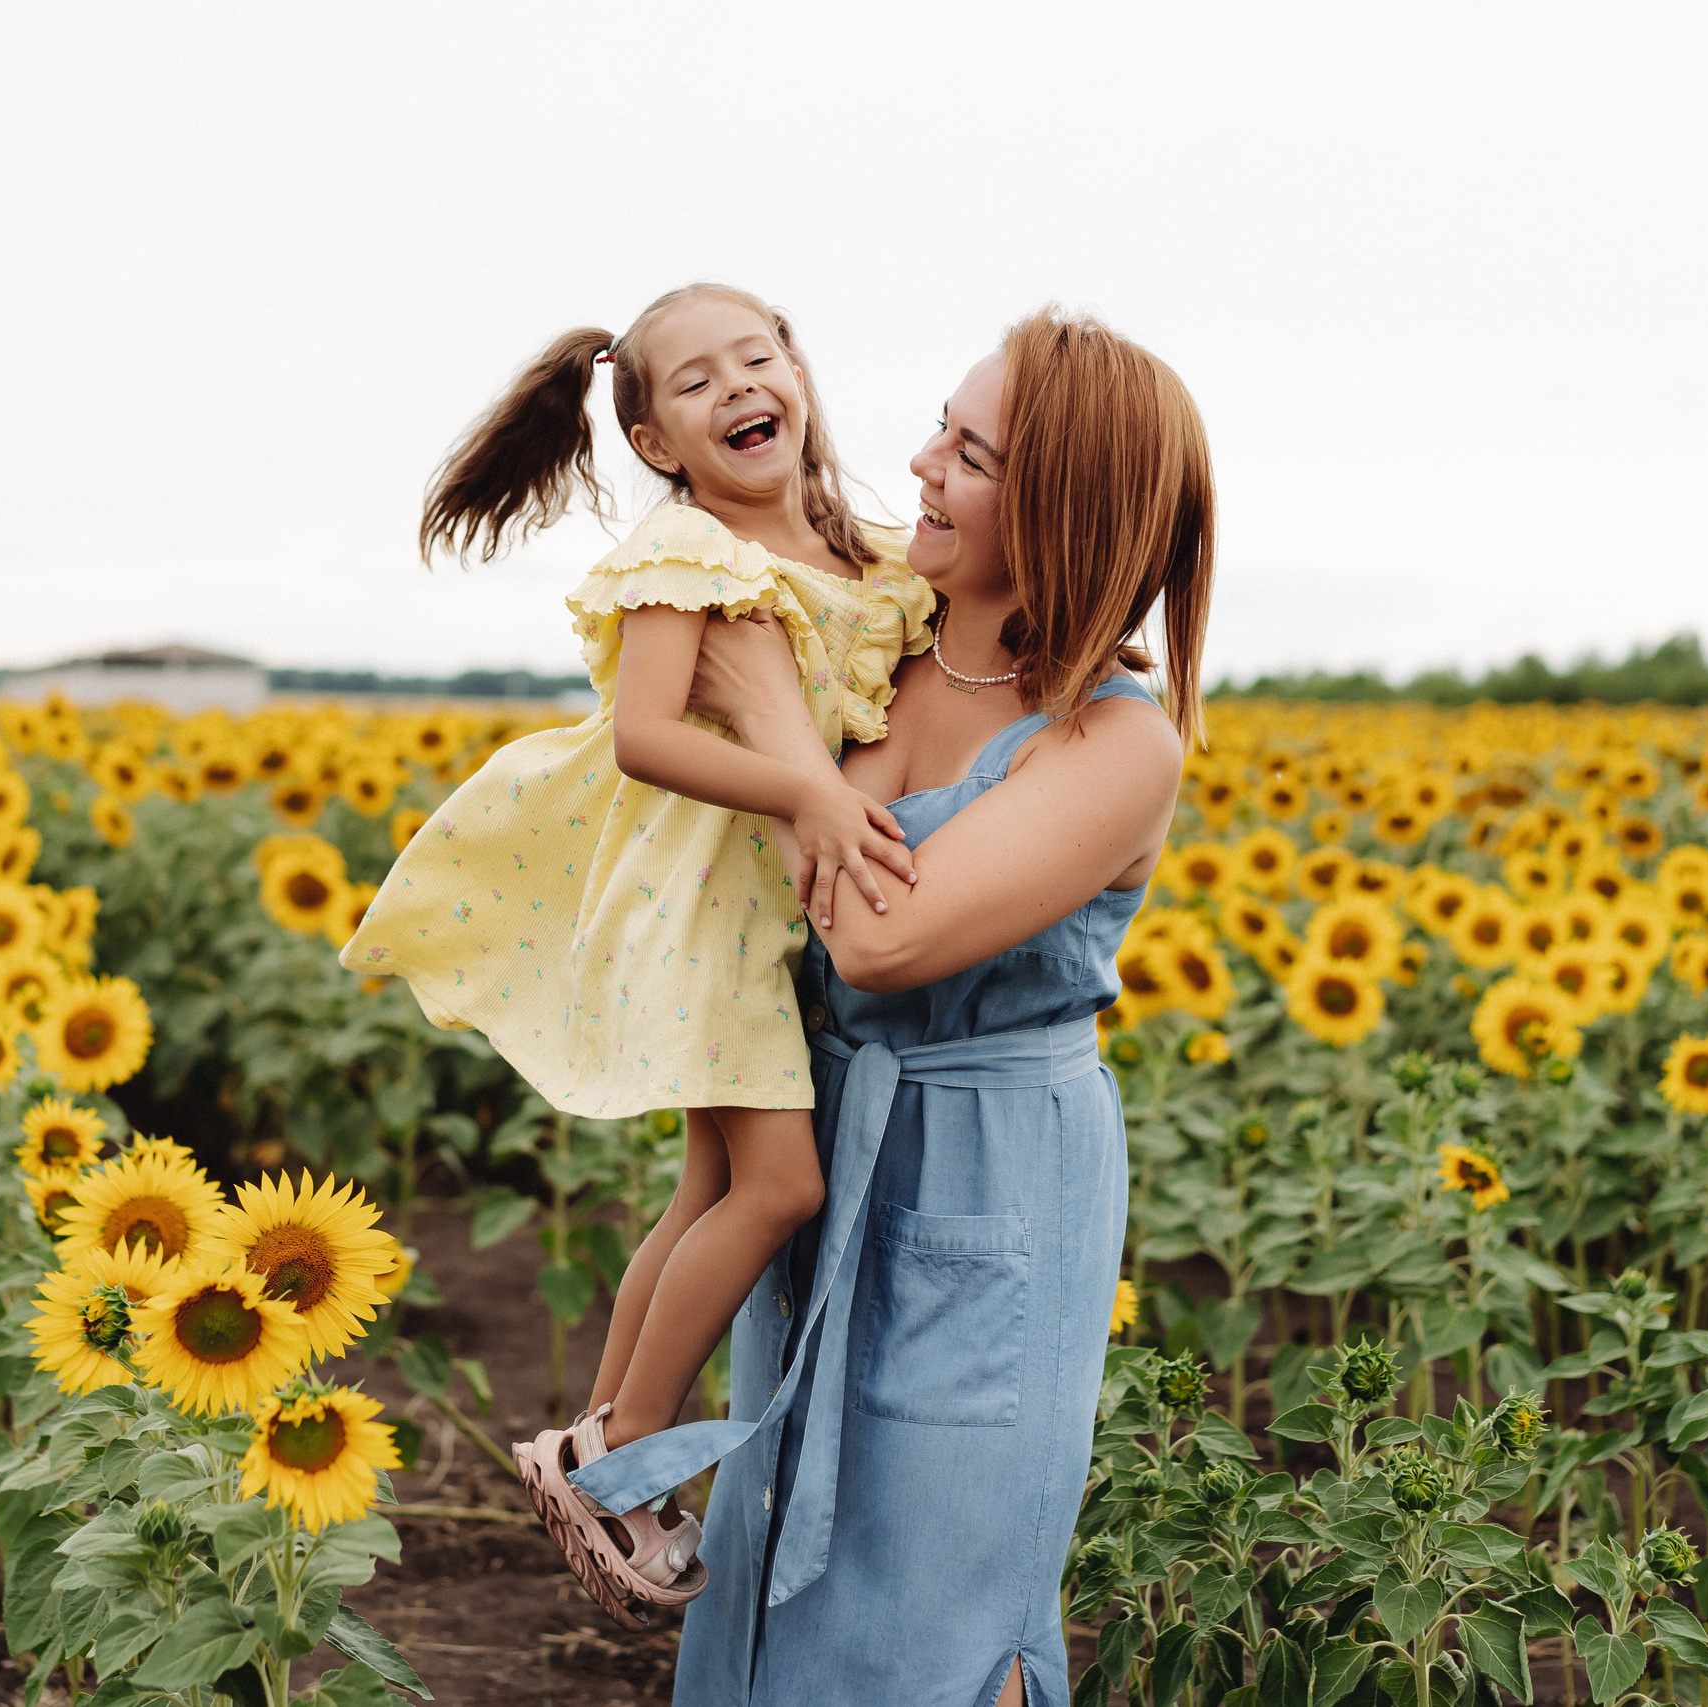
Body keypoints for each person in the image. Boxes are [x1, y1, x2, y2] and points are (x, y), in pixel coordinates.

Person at [566, 306, 1212, 1705]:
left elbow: (878, 937)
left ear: (1063, 510)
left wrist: (775, 722)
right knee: (767, 1559)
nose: (917, 461)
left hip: (993, 1179)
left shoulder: (1114, 742)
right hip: (829, 1136)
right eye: (940, 424)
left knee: (925, 1598)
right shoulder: (875, 649)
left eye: (969, 453)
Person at [339, 283, 935, 1619]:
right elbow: (644, 735)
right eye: (697, 381)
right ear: (657, 440)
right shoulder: (691, 552)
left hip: (755, 916)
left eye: (759, 356)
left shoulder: (867, 552)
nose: (739, 387)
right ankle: (620, 1454)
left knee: (711, 1185)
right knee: (779, 1190)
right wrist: (801, 793)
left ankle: (597, 1435)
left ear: (799, 371)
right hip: (701, 908)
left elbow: (969, 634)